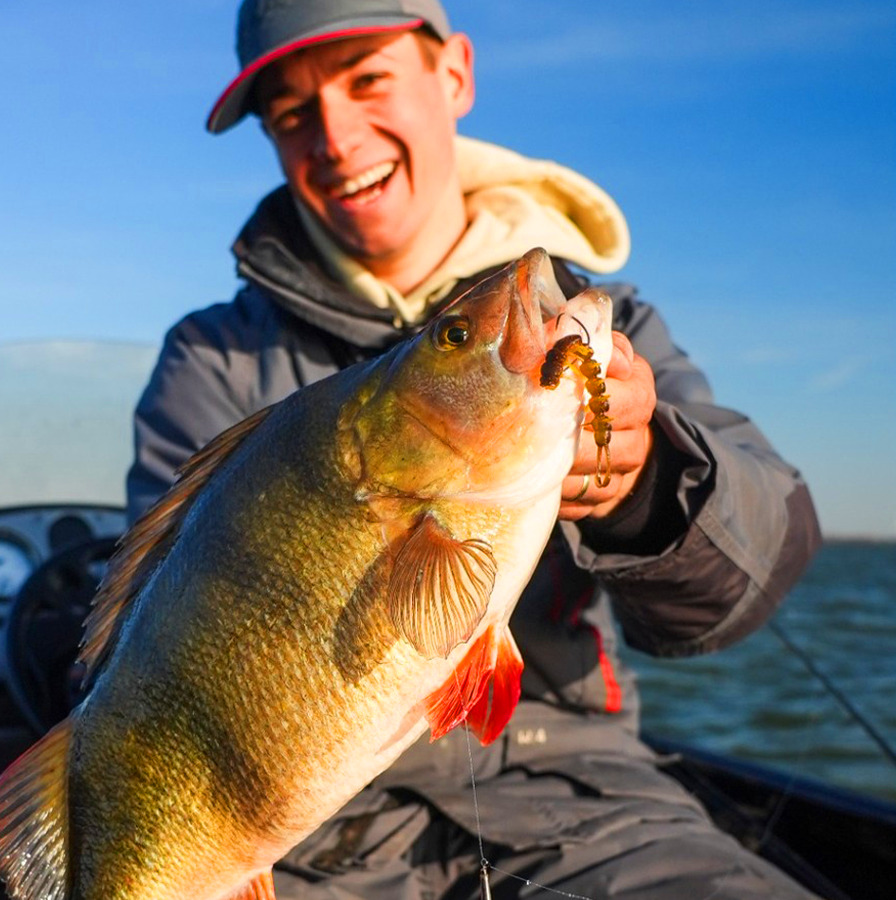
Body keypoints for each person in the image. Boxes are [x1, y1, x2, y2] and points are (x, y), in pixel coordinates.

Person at [126, 1, 823, 896]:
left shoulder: (599, 326)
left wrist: (644, 483)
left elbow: (764, 564)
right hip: (302, 844)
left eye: (367, 78)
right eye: (291, 114)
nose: (334, 137)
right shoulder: (211, 358)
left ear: (454, 75)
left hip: (586, 804)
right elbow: (160, 640)